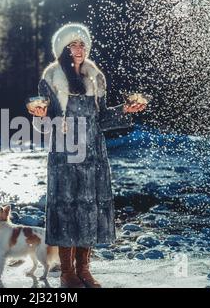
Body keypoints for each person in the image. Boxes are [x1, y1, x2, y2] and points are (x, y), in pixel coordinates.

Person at [27, 23, 147, 288]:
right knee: (67, 209)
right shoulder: (50, 78)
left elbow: (101, 118)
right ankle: (66, 272)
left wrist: (125, 110)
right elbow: (47, 122)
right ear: (63, 48)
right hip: (64, 153)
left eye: (81, 44)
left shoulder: (96, 77)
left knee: (89, 209)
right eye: (72, 45)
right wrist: (40, 117)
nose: (78, 49)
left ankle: (84, 270)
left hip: (94, 153)